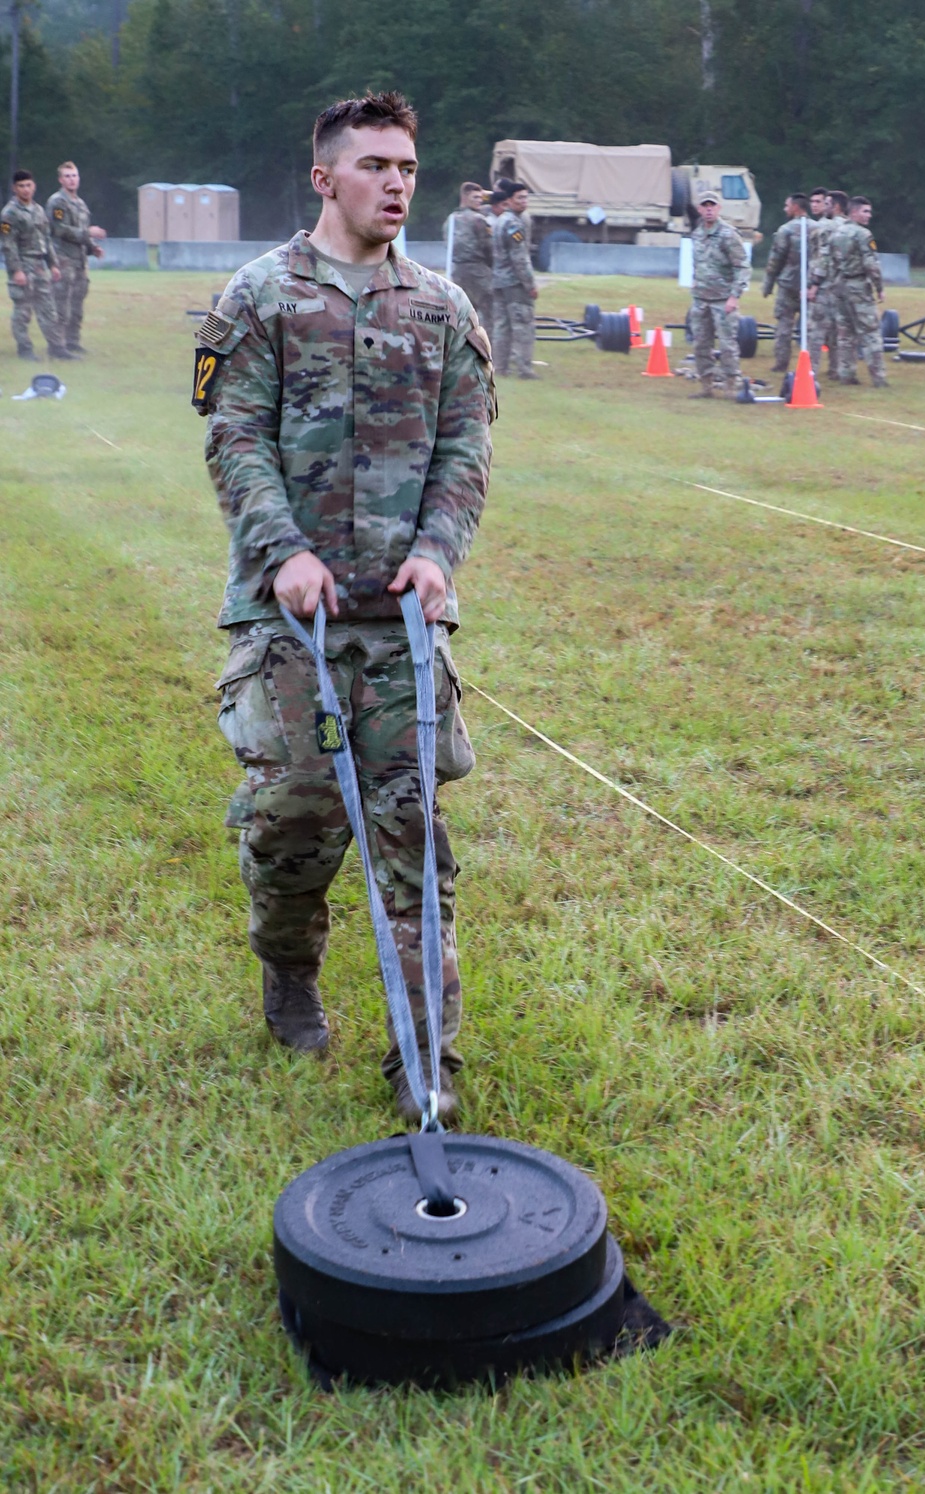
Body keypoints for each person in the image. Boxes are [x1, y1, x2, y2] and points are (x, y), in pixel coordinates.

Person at [196, 90, 495, 1122]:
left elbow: (466, 447)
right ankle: (288, 966)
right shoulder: (261, 297)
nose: (397, 183)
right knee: (293, 824)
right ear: (325, 178)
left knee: (414, 843)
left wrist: (435, 553)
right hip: (291, 621)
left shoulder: (443, 309)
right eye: (375, 165)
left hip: (403, 620)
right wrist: (282, 553)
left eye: (407, 166)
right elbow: (234, 438)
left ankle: (426, 1071)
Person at [0, 170, 74, 361]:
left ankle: (57, 348)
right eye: (21, 186)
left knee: (48, 309)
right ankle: (24, 349)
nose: (25, 190)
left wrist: (53, 265)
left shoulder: (39, 210)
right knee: (23, 311)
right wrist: (16, 270)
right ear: (14, 188)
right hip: (23, 266)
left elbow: (46, 240)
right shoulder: (9, 214)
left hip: (39, 266)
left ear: (34, 186)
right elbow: (8, 244)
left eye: (28, 185)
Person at [688, 188, 750, 398]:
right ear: (699, 209)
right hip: (701, 299)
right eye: (704, 206)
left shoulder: (728, 234)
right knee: (700, 344)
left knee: (727, 345)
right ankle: (706, 386)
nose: (708, 210)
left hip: (723, 300)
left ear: (718, 208)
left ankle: (731, 386)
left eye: (712, 206)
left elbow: (742, 266)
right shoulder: (697, 234)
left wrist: (734, 296)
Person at [825, 194, 887, 387]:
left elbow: (829, 262)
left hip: (839, 286)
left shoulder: (836, 233)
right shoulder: (863, 234)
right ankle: (878, 377)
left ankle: (846, 374)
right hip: (858, 286)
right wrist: (879, 288)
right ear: (853, 212)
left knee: (845, 334)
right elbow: (871, 264)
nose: (869, 216)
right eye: (865, 211)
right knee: (870, 332)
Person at [46, 160, 107, 354]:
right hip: (63, 259)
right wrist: (88, 232)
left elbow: (82, 235)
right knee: (61, 305)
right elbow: (58, 229)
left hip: (80, 261)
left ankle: (72, 341)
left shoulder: (80, 204)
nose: (72, 180)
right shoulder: (57, 202)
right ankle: (57, 346)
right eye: (67, 176)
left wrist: (92, 247)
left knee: (77, 306)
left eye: (74, 176)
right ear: (60, 180)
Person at [761, 193, 813, 374]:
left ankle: (781, 363)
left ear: (796, 207)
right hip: (813, 286)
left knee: (784, 326)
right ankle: (811, 365)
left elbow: (775, 260)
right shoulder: (819, 229)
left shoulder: (786, 230)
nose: (785, 209)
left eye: (787, 205)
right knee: (812, 328)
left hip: (788, 284)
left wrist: (768, 284)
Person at [491, 181, 538, 379]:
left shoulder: (500, 220)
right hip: (514, 282)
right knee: (523, 325)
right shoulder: (513, 224)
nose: (524, 202)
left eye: (526, 197)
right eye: (519, 198)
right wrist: (530, 284)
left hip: (499, 280)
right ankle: (524, 369)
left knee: (502, 325)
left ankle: (499, 367)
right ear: (509, 200)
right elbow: (519, 258)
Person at [445, 180, 493, 336]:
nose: (479, 200)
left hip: (457, 271)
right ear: (465, 198)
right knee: (489, 311)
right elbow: (488, 247)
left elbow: (448, 245)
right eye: (475, 197)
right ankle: (487, 348)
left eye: (481, 198)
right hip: (478, 270)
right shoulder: (479, 220)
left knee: (462, 313)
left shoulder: (450, 219)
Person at [807, 187, 844, 375]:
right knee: (839, 330)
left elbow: (822, 257)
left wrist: (813, 284)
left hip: (825, 285)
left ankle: (811, 368)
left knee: (816, 329)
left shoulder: (824, 227)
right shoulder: (851, 227)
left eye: (826, 204)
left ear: (835, 206)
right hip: (844, 286)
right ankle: (836, 368)